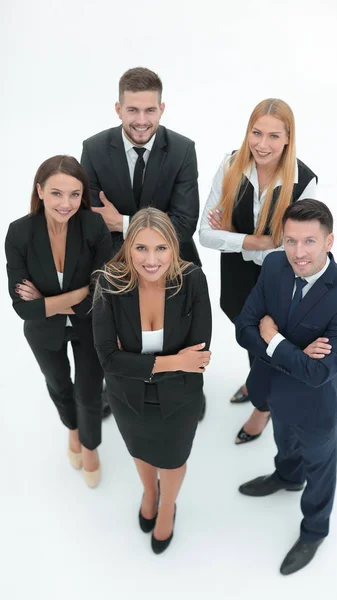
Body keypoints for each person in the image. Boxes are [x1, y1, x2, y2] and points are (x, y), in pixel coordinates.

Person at [235, 199, 337, 575]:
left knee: (321, 468)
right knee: (283, 440)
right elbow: (244, 328)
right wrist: (295, 353)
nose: (297, 252)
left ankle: (314, 531)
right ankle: (288, 477)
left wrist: (274, 339)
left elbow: (317, 373)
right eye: (290, 240)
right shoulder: (275, 264)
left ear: (329, 241)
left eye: (309, 241)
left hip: (316, 404)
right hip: (274, 388)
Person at [81, 66, 206, 419]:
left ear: (162, 109)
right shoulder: (93, 148)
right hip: (115, 263)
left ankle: (187, 386)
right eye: (132, 110)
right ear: (118, 108)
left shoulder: (182, 150)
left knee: (178, 335)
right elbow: (89, 219)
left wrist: (121, 221)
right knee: (121, 338)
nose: (141, 120)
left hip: (172, 262)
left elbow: (183, 224)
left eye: (150, 110)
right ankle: (119, 388)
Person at [92, 207, 212, 554]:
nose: (151, 259)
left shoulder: (192, 280)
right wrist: (176, 359)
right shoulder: (110, 283)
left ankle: (168, 505)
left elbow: (199, 357)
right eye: (141, 248)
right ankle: (149, 491)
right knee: (140, 450)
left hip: (180, 399)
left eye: (161, 248)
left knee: (173, 459)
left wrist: (136, 362)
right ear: (128, 248)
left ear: (174, 248)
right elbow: (108, 360)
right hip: (127, 398)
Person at [199, 98, 317, 444]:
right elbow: (206, 235)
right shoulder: (231, 165)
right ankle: (256, 382)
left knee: (269, 339)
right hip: (237, 277)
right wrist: (255, 241)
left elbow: (297, 250)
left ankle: (262, 406)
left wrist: (234, 236)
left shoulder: (303, 180)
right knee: (247, 333)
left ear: (288, 138)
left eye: (273, 136)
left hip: (279, 280)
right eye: (256, 133)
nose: (262, 145)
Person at [5, 156, 112, 488]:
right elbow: (23, 309)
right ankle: (73, 430)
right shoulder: (19, 232)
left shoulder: (94, 226)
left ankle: (91, 446)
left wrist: (47, 302)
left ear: (83, 196)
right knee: (60, 386)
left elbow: (102, 289)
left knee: (90, 393)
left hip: (89, 325)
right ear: (40, 191)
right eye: (56, 194)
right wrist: (74, 295)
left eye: (75, 195)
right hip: (43, 332)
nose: (66, 204)